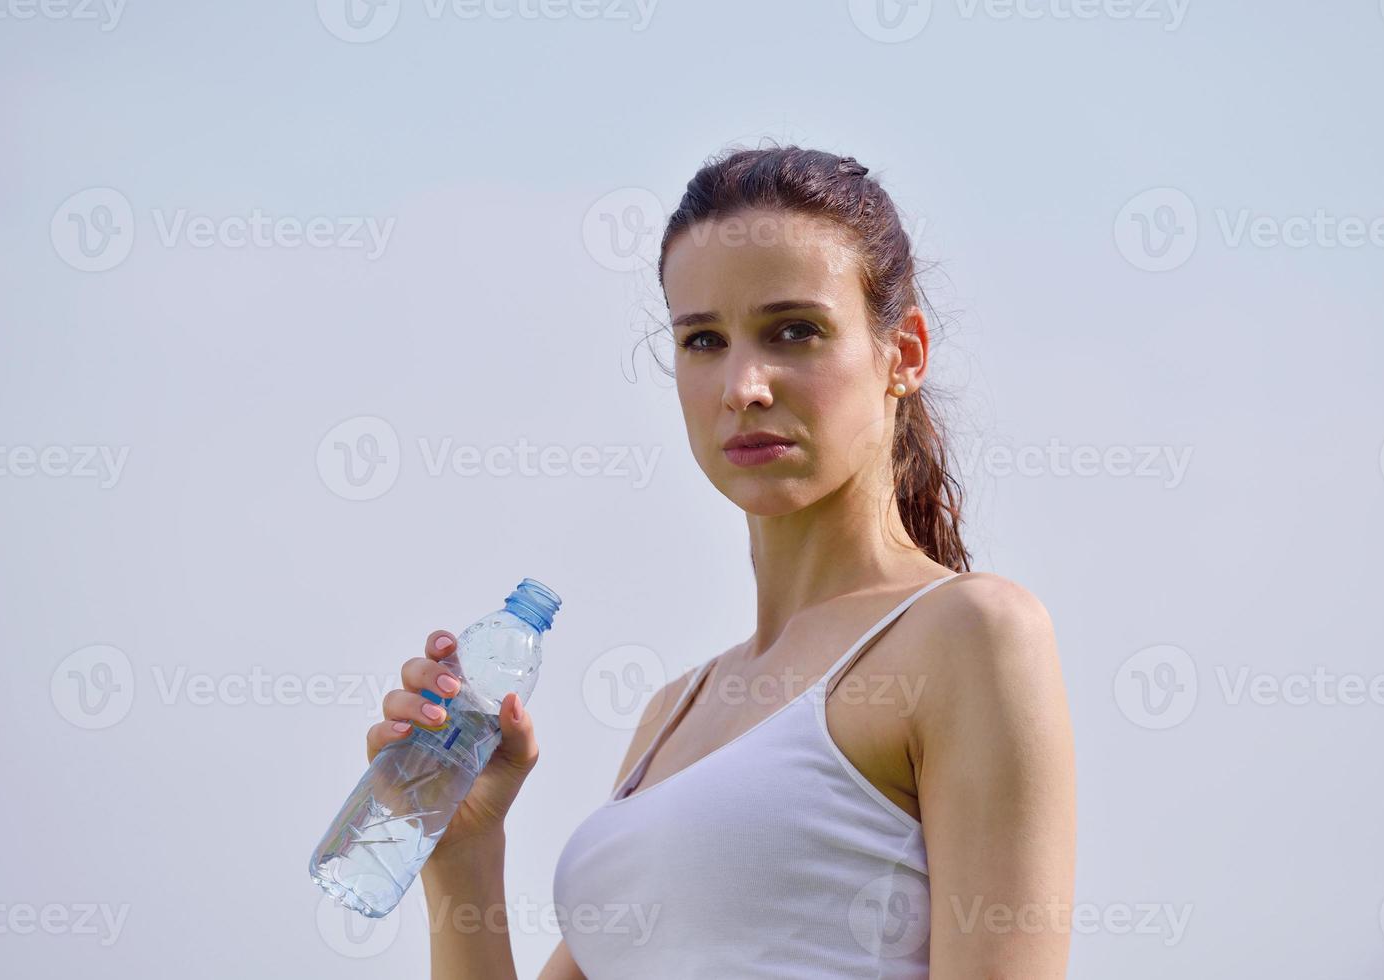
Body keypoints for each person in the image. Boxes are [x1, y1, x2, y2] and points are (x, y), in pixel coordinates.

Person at [365, 144, 1076, 978]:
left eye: (795, 331)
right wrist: (462, 854)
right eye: (703, 340)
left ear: (904, 352)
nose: (743, 384)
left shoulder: (969, 633)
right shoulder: (673, 712)